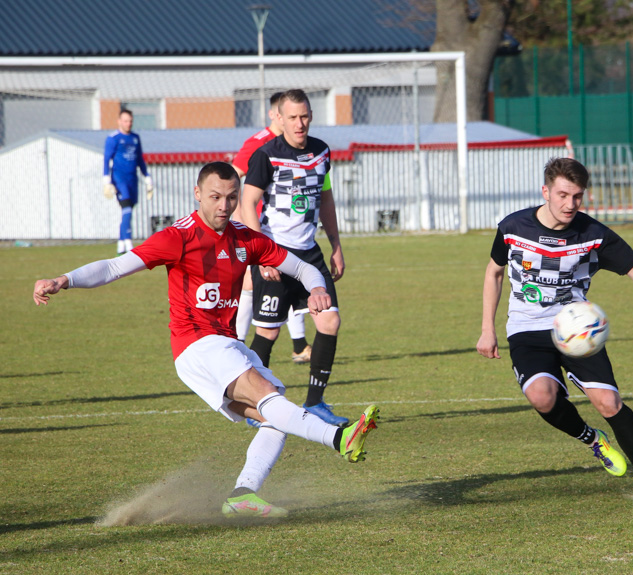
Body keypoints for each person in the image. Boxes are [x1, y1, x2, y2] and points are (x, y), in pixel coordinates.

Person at [34, 161, 379, 518]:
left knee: (276, 414)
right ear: (198, 194)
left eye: (231, 197)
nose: (224, 206)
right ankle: (339, 438)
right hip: (197, 343)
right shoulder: (177, 237)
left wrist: (319, 288)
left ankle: (243, 494)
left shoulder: (245, 238)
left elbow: (304, 268)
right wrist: (64, 280)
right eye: (215, 197)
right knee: (269, 398)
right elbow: (114, 266)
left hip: (221, 344)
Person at [476, 157, 633, 503]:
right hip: (526, 329)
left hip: (578, 330)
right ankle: (593, 440)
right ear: (545, 191)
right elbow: (494, 273)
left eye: (577, 196)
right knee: (542, 397)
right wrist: (488, 329)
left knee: (608, 402)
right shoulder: (513, 227)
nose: (569, 204)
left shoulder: (593, 234)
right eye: (562, 195)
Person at [241, 89, 348, 427]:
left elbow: (326, 199)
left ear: (311, 115)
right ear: (280, 119)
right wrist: (260, 257)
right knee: (268, 333)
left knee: (329, 321)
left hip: (310, 254)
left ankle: (315, 403)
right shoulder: (266, 155)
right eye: (292, 118)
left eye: (304, 116)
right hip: (274, 253)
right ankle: (254, 404)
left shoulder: (321, 152)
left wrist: (336, 244)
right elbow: (247, 205)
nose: (299, 124)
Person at [232, 91, 311, 364]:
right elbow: (232, 175)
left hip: (286, 230)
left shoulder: (299, 147)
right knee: (251, 282)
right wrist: (237, 218)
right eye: (286, 114)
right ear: (275, 114)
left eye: (301, 115)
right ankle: (237, 344)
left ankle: (299, 345)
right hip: (256, 227)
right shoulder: (259, 143)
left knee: (288, 281)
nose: (294, 121)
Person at [103, 109, 154, 255]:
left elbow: (140, 160)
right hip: (119, 179)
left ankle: (121, 243)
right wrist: (106, 180)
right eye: (125, 121)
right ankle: (129, 243)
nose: (128, 123)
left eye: (130, 121)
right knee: (127, 210)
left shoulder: (135, 138)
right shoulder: (113, 138)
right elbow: (107, 159)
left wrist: (147, 177)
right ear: (119, 121)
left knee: (128, 210)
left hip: (133, 179)